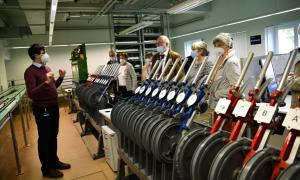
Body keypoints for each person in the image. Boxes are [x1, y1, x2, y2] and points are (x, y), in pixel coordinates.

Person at [24, 44, 70, 178]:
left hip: (53, 106)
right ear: (36, 55)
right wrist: (45, 83)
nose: (46, 54)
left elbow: (53, 85)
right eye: (43, 52)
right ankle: (46, 168)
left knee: (53, 135)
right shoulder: (30, 72)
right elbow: (31, 94)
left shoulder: (47, 68)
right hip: (42, 108)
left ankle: (54, 161)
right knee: (45, 138)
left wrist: (60, 77)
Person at [208, 33, 241, 126]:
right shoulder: (220, 59)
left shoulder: (231, 62)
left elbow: (236, 87)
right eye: (215, 46)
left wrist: (216, 94)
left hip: (225, 106)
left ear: (228, 46)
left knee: (223, 136)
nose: (216, 48)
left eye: (220, 45)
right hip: (217, 105)